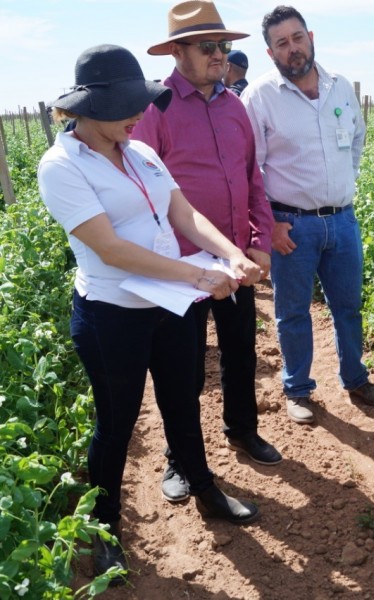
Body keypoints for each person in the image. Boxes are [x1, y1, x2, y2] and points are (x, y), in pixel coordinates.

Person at [37, 44, 263, 584]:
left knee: (183, 400)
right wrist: (195, 275)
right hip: (111, 315)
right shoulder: (61, 165)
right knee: (116, 424)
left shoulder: (141, 152)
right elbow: (109, 248)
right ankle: (106, 526)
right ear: (86, 110)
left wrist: (229, 251)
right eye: (126, 106)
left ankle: (204, 488)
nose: (139, 113)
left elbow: (182, 213)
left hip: (170, 307)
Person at [132, 0, 282, 503]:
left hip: (235, 258)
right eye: (208, 47)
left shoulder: (233, 104)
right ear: (177, 52)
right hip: (181, 268)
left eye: (224, 46)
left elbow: (251, 178)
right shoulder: (156, 108)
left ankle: (242, 428)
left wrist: (259, 241)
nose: (220, 55)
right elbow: (141, 190)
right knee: (184, 368)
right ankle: (179, 457)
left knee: (241, 352)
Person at [240, 5, 374, 425]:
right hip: (293, 225)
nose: (293, 49)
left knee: (348, 305)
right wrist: (268, 223)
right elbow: (250, 168)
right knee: (292, 311)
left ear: (311, 37)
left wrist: (343, 186)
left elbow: (356, 141)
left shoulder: (340, 87)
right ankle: (298, 388)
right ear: (270, 53)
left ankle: (356, 378)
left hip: (342, 219)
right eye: (281, 43)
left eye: (297, 38)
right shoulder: (261, 97)